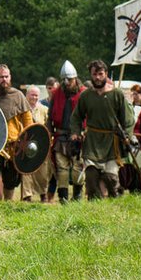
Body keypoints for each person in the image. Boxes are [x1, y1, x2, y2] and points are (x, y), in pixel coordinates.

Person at [70, 60, 133, 200]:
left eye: (100, 74)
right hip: (92, 141)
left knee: (110, 178)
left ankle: (115, 206)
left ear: (105, 74)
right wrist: (75, 133)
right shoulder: (86, 96)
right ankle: (95, 209)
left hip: (112, 142)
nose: (97, 77)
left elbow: (127, 119)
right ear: (91, 75)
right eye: (94, 74)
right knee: (91, 178)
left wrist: (127, 136)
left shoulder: (117, 94)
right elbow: (76, 117)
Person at [0, 65, 33, 201]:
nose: (4, 80)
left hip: (13, 145)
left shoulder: (18, 96)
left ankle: (8, 206)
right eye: (1, 77)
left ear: (10, 77)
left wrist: (27, 141)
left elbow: (28, 122)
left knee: (11, 180)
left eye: (6, 76)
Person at [48, 61, 86, 202]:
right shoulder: (57, 93)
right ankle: (63, 197)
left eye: (69, 79)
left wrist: (85, 132)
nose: (66, 82)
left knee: (77, 167)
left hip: (79, 136)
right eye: (64, 79)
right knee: (61, 168)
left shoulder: (84, 93)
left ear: (75, 78)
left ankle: (77, 195)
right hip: (61, 135)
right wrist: (49, 132)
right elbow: (50, 115)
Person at [20, 86, 51, 202]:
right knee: (26, 170)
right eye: (32, 95)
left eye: (36, 95)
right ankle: (27, 195)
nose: (34, 97)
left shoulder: (44, 109)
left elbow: (48, 126)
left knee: (43, 172)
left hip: (40, 144)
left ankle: (43, 194)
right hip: (25, 143)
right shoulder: (22, 109)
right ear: (27, 95)